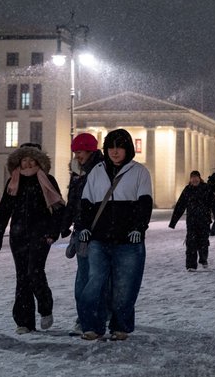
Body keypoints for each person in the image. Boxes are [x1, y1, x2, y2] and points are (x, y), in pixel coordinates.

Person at [77, 129, 153, 341]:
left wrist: (139, 228)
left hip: (128, 239)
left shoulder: (139, 172)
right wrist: (85, 227)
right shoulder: (97, 171)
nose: (115, 151)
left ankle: (120, 326)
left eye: (120, 146)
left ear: (128, 149)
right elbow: (86, 202)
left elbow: (144, 203)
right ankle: (92, 326)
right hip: (99, 239)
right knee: (94, 284)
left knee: (125, 286)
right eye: (111, 147)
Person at [0, 143, 65, 334]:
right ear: (18, 162)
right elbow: (5, 210)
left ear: (39, 161)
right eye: (25, 159)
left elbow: (58, 209)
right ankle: (24, 321)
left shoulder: (47, 180)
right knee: (22, 277)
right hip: (18, 235)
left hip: (41, 234)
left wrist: (54, 232)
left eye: (32, 159)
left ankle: (45, 307)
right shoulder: (13, 182)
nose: (28, 163)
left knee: (34, 272)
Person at [60, 132, 105, 335]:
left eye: (80, 152)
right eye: (76, 152)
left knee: (92, 277)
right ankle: (85, 317)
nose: (77, 155)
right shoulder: (78, 173)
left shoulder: (102, 171)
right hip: (81, 231)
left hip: (98, 231)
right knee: (85, 276)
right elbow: (72, 202)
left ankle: (92, 318)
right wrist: (65, 224)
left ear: (90, 151)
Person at [169, 170, 215, 270]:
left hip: (204, 221)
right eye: (192, 177)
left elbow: (214, 205)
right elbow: (180, 206)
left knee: (203, 242)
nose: (194, 179)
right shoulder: (187, 190)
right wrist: (173, 222)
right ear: (190, 179)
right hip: (192, 221)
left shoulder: (206, 188)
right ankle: (191, 265)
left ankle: (203, 259)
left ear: (199, 178)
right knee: (191, 243)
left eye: (196, 177)